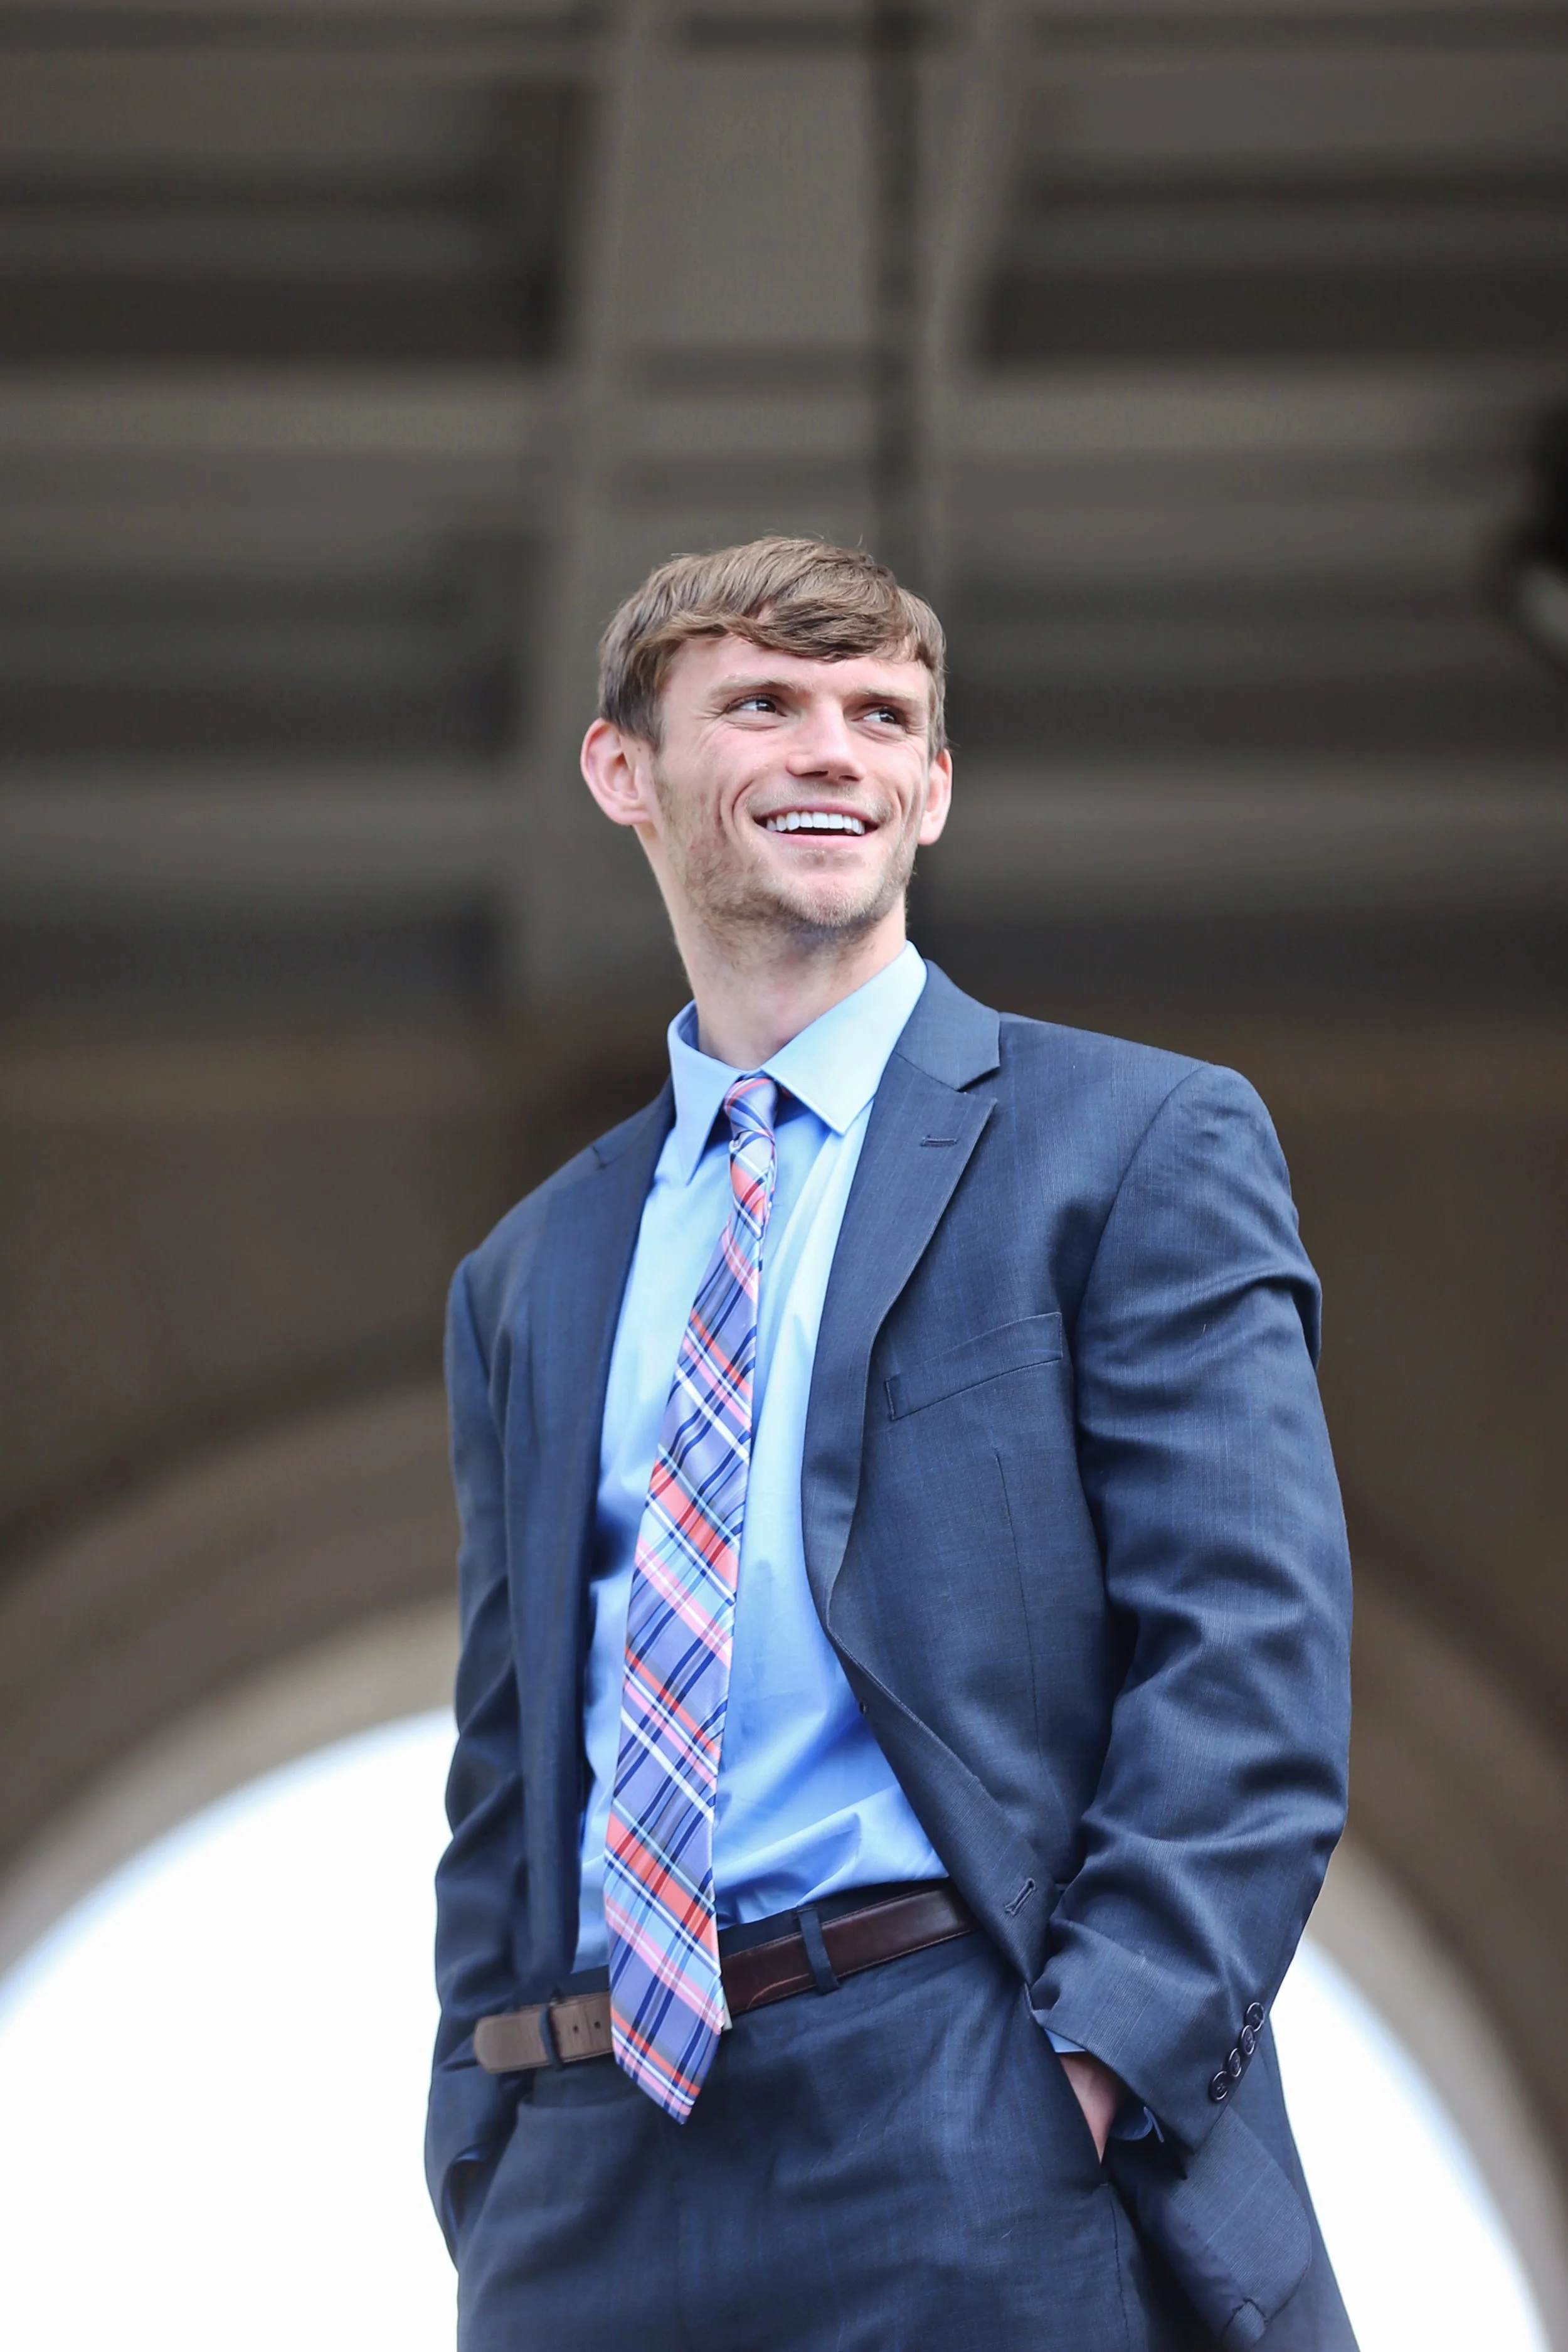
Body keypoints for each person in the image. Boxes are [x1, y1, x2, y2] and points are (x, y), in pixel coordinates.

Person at [426, 536, 1356, 2350]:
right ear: (625, 771)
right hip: (594, 2155)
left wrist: (1089, 2062)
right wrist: (489, 2119)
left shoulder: (1132, 1142)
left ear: (931, 786)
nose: (830, 750)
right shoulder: (529, 1271)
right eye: (760, 704)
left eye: (881, 716)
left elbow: (1246, 1653)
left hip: (962, 2091)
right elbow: (509, 1757)